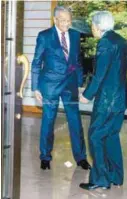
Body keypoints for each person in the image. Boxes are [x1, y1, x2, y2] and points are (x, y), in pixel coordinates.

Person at [31, 6, 90, 170]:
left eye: (69, 21)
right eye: (63, 20)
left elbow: (77, 62)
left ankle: (81, 158)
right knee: (48, 122)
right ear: (55, 20)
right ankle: (45, 157)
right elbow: (36, 62)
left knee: (75, 122)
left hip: (70, 85)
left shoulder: (75, 35)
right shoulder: (44, 36)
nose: (66, 24)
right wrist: (35, 87)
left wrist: (79, 84)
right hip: (49, 85)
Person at [79, 11, 127, 190]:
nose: (92, 28)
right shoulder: (121, 40)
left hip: (107, 100)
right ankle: (116, 176)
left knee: (95, 136)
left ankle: (100, 180)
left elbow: (99, 74)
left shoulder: (105, 43)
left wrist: (86, 95)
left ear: (98, 26)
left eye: (92, 25)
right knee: (111, 137)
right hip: (120, 98)